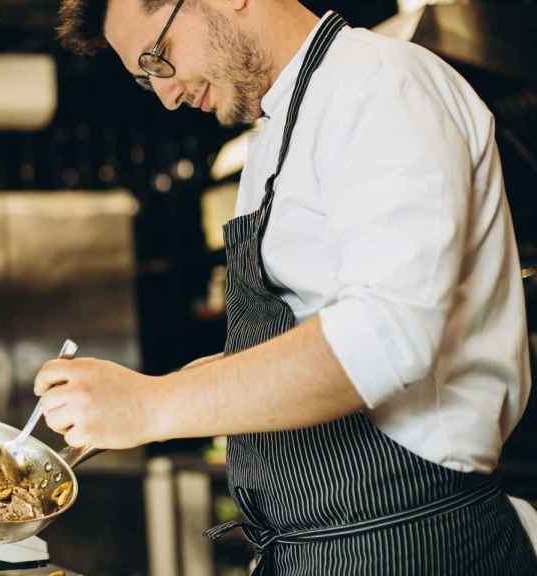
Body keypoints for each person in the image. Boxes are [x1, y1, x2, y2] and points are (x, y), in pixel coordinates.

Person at [38, 0, 537, 573]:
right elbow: (288, 345)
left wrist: (151, 407)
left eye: (160, 57)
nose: (168, 94)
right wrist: (122, 400)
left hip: (411, 541)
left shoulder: (381, 84)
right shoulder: (273, 137)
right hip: (320, 547)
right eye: (147, 80)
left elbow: (384, 338)